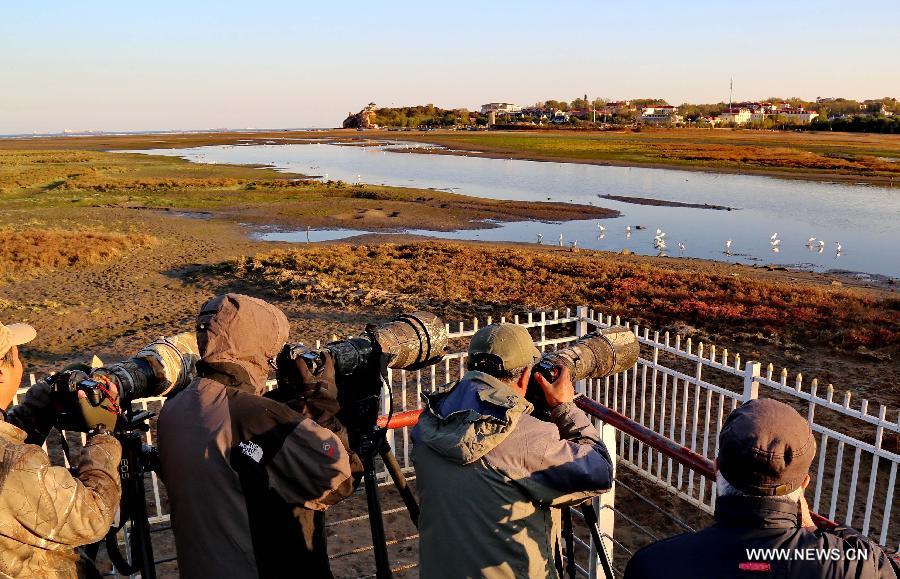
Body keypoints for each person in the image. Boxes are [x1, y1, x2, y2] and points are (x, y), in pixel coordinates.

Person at [157, 293, 362, 579]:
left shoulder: (176, 408)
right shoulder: (253, 415)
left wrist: (287, 403)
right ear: (259, 347)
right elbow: (341, 480)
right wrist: (320, 400)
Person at [412, 322, 614, 579]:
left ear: (471, 366)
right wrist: (564, 407)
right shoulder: (527, 437)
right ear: (524, 375)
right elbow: (599, 471)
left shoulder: (432, 418)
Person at [624, 398, 900, 579]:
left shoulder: (653, 565)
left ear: (716, 469)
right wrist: (815, 528)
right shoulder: (849, 565)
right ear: (803, 485)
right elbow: (885, 564)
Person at [0, 321, 122, 578]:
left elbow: (6, 439)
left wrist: (41, 404)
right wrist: (103, 434)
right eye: (16, 357)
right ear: (1, 373)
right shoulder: (19, 464)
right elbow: (94, 516)